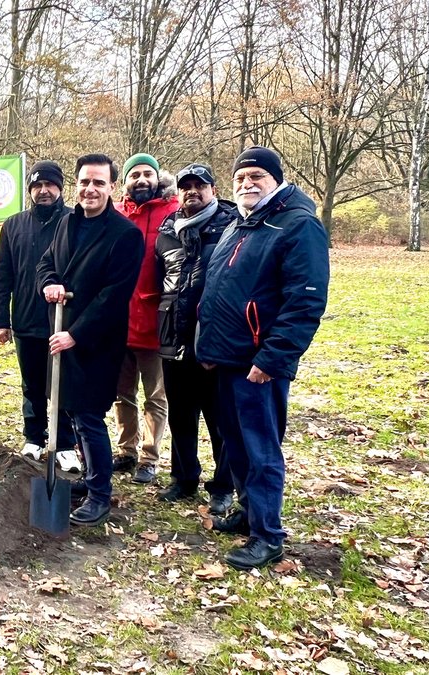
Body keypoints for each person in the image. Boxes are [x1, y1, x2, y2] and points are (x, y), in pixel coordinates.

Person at [197, 146, 329, 570]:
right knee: (234, 445)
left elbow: (305, 302)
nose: (247, 184)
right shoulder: (242, 224)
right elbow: (220, 290)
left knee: (260, 449)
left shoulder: (297, 226)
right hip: (228, 359)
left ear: (276, 180)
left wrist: (272, 358)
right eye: (240, 178)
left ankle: (268, 534)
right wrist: (210, 348)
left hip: (259, 365)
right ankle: (249, 514)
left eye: (256, 176)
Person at [38, 154, 145, 526]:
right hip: (60, 332)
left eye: (99, 182)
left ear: (111, 187)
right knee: (70, 411)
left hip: (96, 341)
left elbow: (114, 296)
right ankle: (90, 477)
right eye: (85, 182)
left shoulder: (125, 235)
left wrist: (76, 335)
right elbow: (47, 262)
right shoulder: (66, 222)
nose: (90, 189)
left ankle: (101, 494)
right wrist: (48, 283)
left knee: (89, 416)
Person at [154, 163, 236, 514]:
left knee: (219, 418)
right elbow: (163, 277)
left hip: (213, 338)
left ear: (212, 190)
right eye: (186, 186)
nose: (193, 192)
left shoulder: (232, 226)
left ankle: (223, 486)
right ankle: (184, 478)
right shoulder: (167, 230)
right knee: (181, 416)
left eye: (199, 186)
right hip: (173, 334)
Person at [0, 160, 81, 474]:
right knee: (32, 385)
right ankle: (34, 437)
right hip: (27, 320)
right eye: (37, 186)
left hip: (65, 323)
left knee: (64, 385)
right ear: (30, 189)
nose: (43, 191)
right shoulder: (13, 225)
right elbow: (1, 276)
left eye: (50, 185)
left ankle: (66, 444)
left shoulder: (76, 221)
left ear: (60, 188)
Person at [113, 153, 176, 485]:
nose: (140, 180)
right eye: (134, 175)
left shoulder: (173, 213)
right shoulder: (117, 214)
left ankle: (150, 457)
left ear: (157, 178)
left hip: (156, 323)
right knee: (123, 393)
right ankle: (127, 450)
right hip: (120, 322)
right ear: (124, 183)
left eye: (146, 174)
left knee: (155, 395)